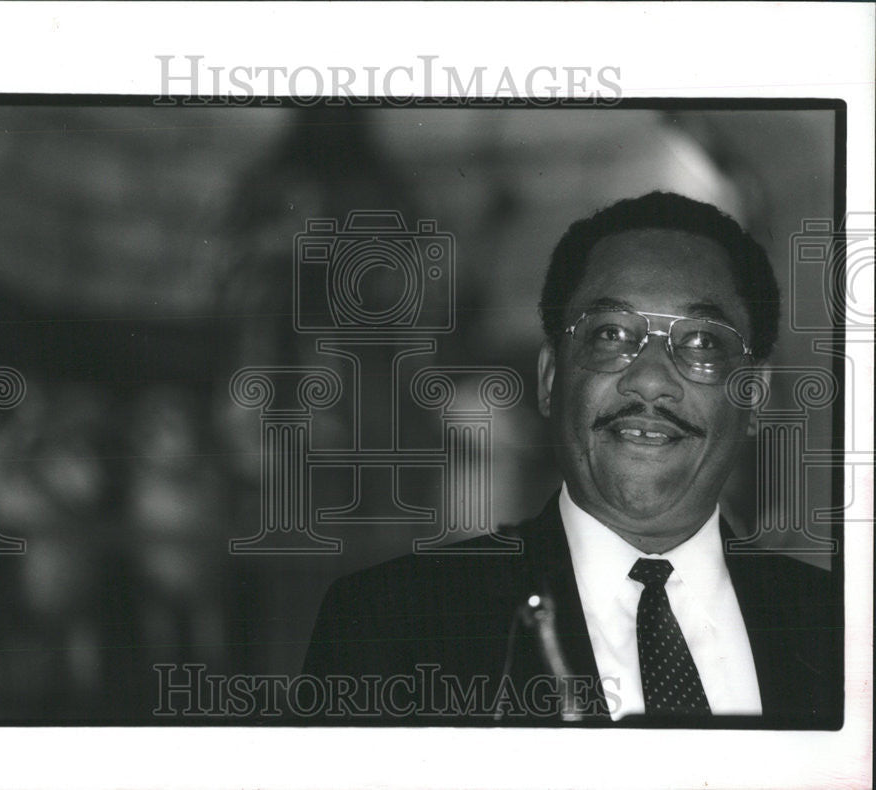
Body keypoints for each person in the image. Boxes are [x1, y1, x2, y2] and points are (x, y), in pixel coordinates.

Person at [301, 192, 841, 727]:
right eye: (610, 334)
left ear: (754, 394)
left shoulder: (838, 625)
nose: (650, 380)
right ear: (550, 377)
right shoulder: (394, 622)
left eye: (701, 342)